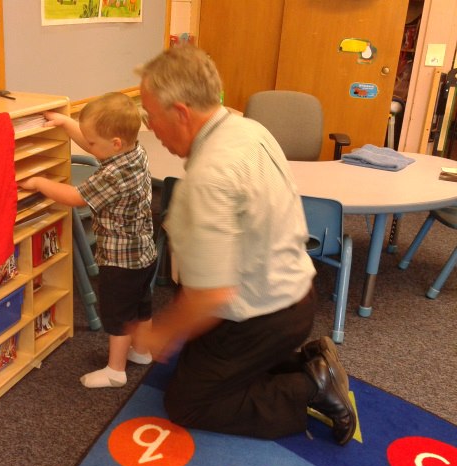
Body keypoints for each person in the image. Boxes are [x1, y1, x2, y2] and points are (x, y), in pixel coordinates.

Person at [133, 45, 357, 444]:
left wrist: (159, 332)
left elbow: (210, 296)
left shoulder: (207, 178)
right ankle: (308, 359)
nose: (150, 128)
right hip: (297, 293)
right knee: (195, 364)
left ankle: (311, 387)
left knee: (187, 403)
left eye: (151, 116)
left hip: (263, 317)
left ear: (181, 113)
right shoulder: (248, 127)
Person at [18, 92, 157, 388]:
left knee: (118, 316)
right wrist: (67, 123)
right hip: (143, 252)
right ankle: (142, 352)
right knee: (141, 307)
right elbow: (97, 146)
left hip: (120, 259)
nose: (89, 146)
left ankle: (115, 371)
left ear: (115, 143)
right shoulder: (133, 152)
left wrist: (40, 183)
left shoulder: (114, 174)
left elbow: (76, 197)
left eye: (92, 142)